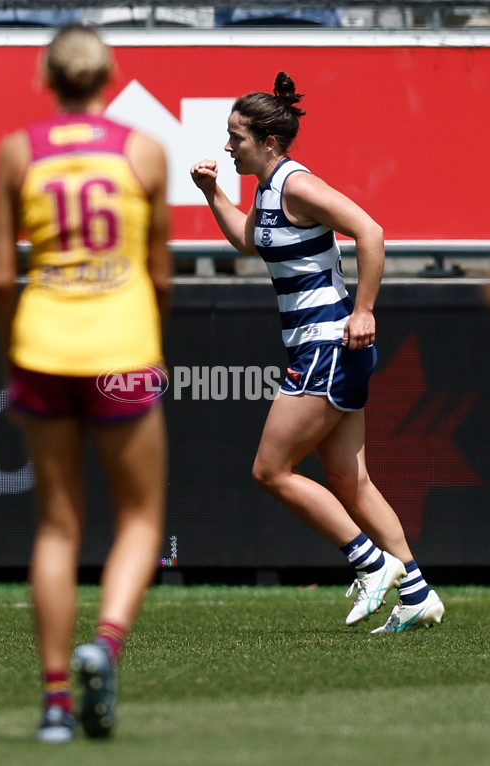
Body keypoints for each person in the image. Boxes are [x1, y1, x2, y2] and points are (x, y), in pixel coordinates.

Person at [190, 72, 444, 634]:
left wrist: (365, 310)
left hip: (328, 345)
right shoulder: (269, 187)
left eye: (237, 137)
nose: (228, 146)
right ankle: (418, 592)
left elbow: (371, 232)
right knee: (350, 481)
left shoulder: (296, 184)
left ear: (269, 143)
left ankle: (370, 562)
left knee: (270, 470)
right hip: (329, 349)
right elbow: (248, 240)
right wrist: (213, 195)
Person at [0, 24, 171, 743]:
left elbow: (4, 275)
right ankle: (108, 643)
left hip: (42, 344)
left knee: (58, 526)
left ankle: (56, 704)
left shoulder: (15, 151)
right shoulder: (145, 150)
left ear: (47, 79)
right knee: (140, 520)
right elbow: (160, 273)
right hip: (123, 345)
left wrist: (12, 352)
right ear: (107, 76)